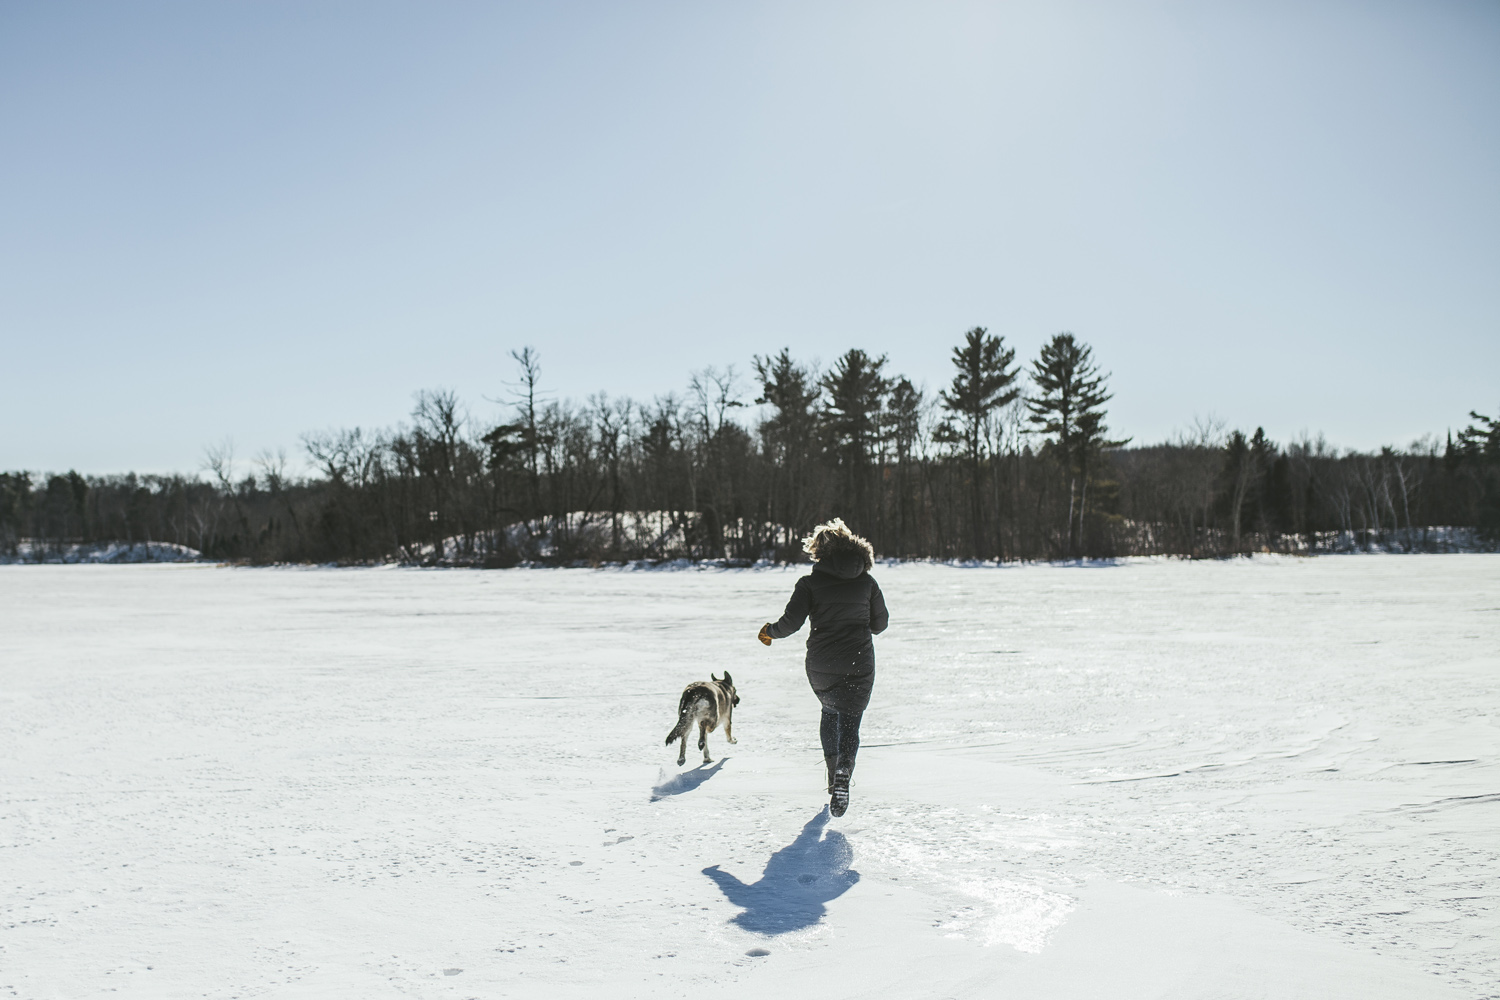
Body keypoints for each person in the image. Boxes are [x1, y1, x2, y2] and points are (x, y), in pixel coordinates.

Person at [758, 517, 889, 817]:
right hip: (859, 662)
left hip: (822, 663)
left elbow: (790, 624)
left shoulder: (810, 583)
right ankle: (845, 770)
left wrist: (768, 631)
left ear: (819, 552)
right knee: (851, 722)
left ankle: (834, 780)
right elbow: (880, 625)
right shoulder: (867, 582)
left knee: (830, 712)